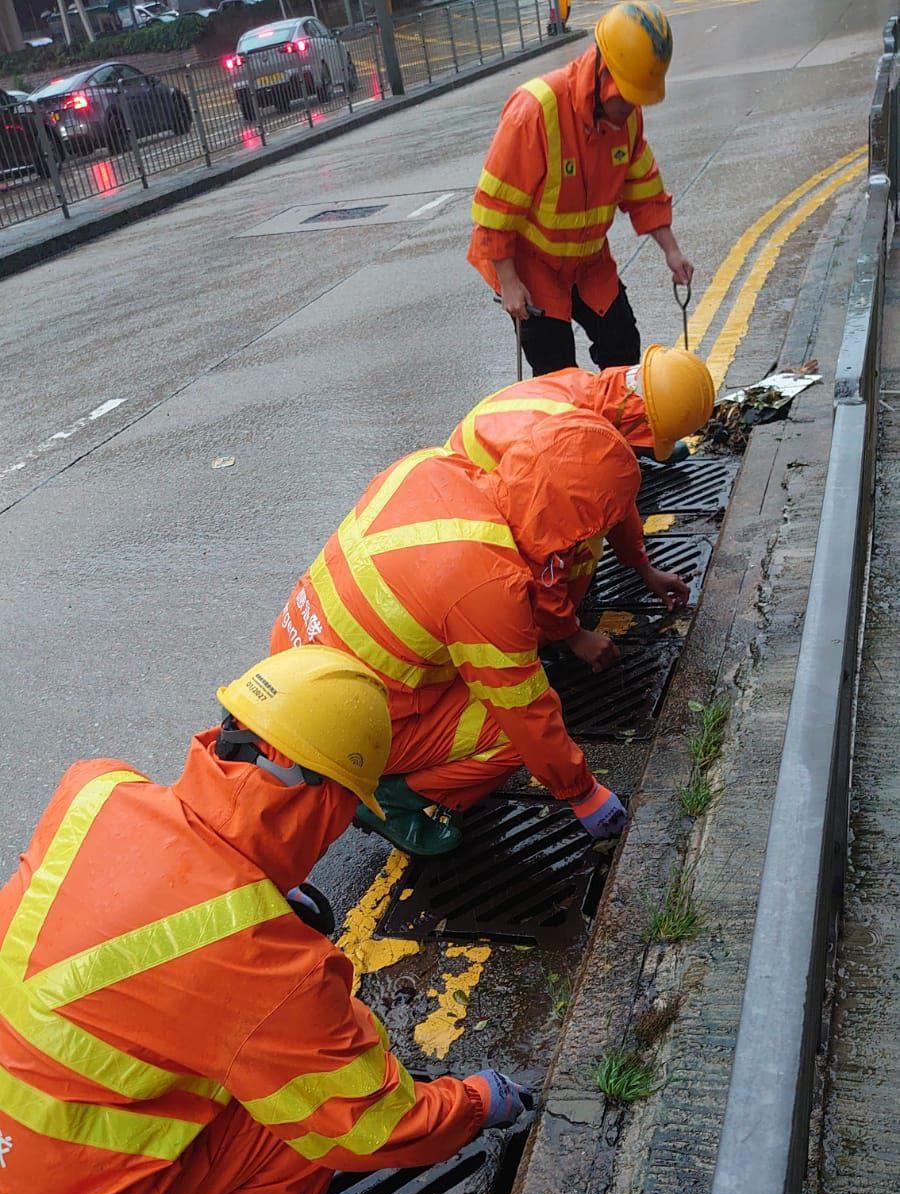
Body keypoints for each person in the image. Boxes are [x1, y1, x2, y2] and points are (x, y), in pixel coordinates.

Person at [0, 647, 529, 1194]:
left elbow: (130, 903)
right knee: (302, 1114)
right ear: (324, 799)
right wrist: (476, 1103)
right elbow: (372, 1128)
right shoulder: (269, 970)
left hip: (30, 1154)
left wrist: (262, 889)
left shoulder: (92, 791)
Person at [270, 412, 639, 858]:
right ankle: (390, 800)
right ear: (576, 524)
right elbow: (526, 716)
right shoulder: (489, 583)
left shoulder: (429, 466)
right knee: (512, 733)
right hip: (341, 725)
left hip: (292, 665)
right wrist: (583, 793)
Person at [445, 343, 715, 665]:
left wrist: (642, 566)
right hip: (472, 525)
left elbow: (613, 499)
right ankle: (527, 638)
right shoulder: (563, 452)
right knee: (578, 549)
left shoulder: (593, 394)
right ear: (641, 422)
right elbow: (545, 552)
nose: (645, 452)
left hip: (495, 488)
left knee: (585, 527)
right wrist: (573, 635)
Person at [468, 2, 692, 376]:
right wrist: (509, 283)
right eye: (625, 96)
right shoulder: (536, 110)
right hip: (533, 265)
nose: (631, 107)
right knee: (558, 373)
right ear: (603, 72)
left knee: (622, 346)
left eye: (638, 97)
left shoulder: (627, 117)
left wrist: (672, 250)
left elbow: (643, 189)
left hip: (588, 261)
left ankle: (618, 416)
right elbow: (495, 212)